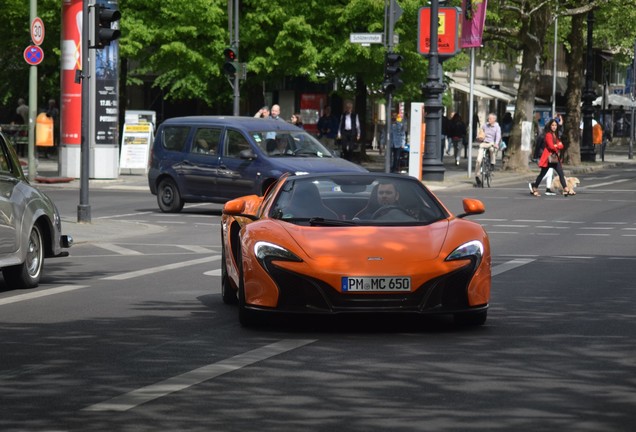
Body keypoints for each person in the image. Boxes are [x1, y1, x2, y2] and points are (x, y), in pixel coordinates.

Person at [529, 119, 574, 197]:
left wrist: (557, 145)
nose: (554, 127)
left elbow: (561, 145)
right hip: (548, 158)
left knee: (561, 173)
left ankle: (566, 188)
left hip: (555, 158)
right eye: (552, 125)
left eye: (555, 125)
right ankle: (535, 187)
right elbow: (551, 146)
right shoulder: (548, 135)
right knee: (542, 174)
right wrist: (557, 146)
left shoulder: (555, 135)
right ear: (550, 126)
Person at [474, 113, 501, 186]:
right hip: (484, 143)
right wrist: (479, 137)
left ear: (494, 120)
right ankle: (477, 176)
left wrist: (496, 143)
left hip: (492, 143)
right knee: (478, 160)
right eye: (488, 118)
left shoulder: (497, 127)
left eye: (490, 119)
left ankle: (492, 163)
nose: (488, 120)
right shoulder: (485, 125)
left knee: (492, 150)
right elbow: (480, 133)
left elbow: (498, 136)